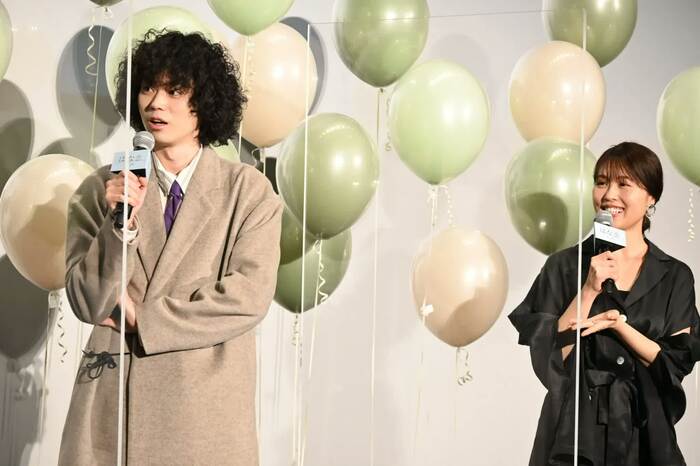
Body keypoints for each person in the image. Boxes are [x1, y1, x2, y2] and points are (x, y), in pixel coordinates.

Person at [58, 30, 282, 465]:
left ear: (206, 100)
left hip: (205, 416)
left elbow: (247, 298)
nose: (156, 103)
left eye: (175, 90)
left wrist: (142, 317)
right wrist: (119, 226)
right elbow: (86, 301)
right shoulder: (102, 189)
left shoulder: (247, 192)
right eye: (147, 88)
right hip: (113, 408)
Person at [509, 142, 699, 465]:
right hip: (574, 438)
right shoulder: (564, 266)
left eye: (624, 184)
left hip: (645, 438)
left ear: (651, 197)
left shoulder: (675, 276)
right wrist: (588, 291)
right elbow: (548, 360)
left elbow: (674, 363)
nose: (609, 194)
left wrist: (619, 326)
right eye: (601, 182)